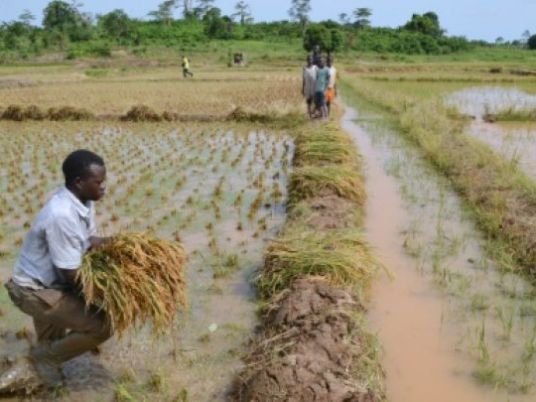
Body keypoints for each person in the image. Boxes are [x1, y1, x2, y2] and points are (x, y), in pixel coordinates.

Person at [0, 150, 113, 394]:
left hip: (47, 284)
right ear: (79, 182)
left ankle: (38, 384)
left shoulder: (84, 200)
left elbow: (89, 239)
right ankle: (41, 360)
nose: (104, 187)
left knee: (50, 362)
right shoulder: (61, 215)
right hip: (35, 291)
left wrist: (119, 244)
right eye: (99, 182)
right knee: (103, 326)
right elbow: (70, 275)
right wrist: (105, 299)